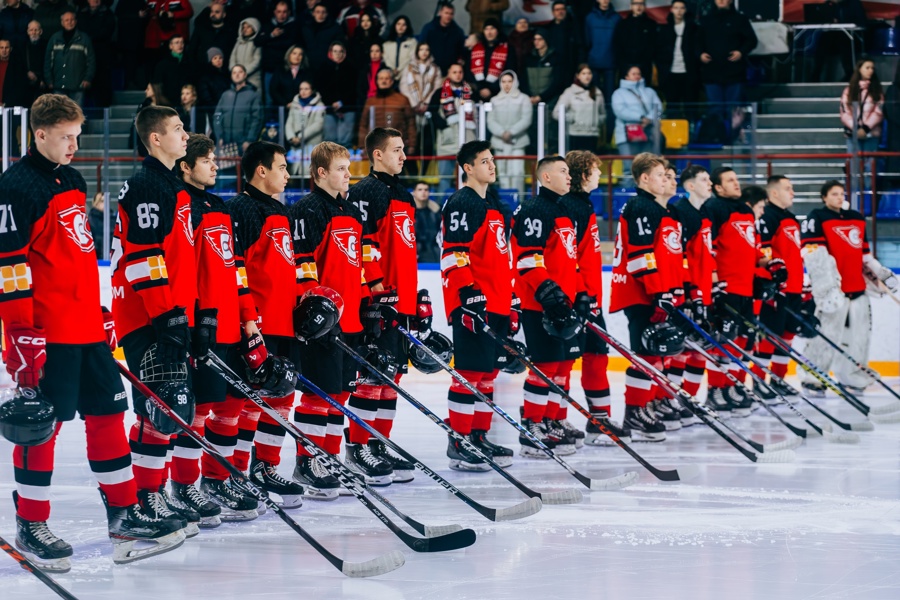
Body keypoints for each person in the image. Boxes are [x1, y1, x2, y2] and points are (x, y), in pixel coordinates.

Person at [0, 95, 185, 572]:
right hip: (48, 333)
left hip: (86, 329)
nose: (74, 146)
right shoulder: (15, 187)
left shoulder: (74, 179)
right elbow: (10, 267)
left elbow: (78, 256)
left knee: (107, 415)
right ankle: (32, 523)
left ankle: (124, 516)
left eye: (77, 136)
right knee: (43, 428)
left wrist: (98, 309)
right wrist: (20, 333)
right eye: (65, 137)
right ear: (39, 135)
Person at [112, 104, 202, 535]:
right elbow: (142, 259)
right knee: (159, 408)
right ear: (156, 139)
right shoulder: (148, 185)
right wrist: (167, 316)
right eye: (178, 129)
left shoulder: (172, 185)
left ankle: (155, 490)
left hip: (169, 312)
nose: (186, 135)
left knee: (170, 407)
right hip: (148, 313)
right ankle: (145, 496)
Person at [170, 132, 260, 524]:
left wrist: (247, 317)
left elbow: (235, 268)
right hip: (199, 325)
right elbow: (184, 271)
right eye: (206, 160)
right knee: (199, 411)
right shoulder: (181, 205)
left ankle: (217, 478)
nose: (214, 166)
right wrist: (193, 320)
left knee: (230, 407)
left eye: (214, 160)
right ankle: (185, 484)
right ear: (185, 165)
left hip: (229, 325)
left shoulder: (220, 206)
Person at [226, 141, 305, 504]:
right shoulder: (240, 209)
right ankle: (238, 471)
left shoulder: (281, 211)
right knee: (248, 403)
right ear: (261, 170)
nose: (287, 175)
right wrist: (248, 320)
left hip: (284, 322)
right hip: (257, 325)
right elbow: (235, 269)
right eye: (282, 167)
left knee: (281, 399)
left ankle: (266, 466)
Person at [345, 127, 423, 484]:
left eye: (403, 149)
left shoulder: (404, 194)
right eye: (396, 149)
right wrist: (376, 289)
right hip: (378, 302)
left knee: (392, 376)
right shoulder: (364, 192)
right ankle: (359, 446)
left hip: (401, 301)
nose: (403, 156)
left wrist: (415, 297)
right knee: (371, 376)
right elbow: (361, 244)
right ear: (377, 154)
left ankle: (379, 443)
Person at [288, 141, 364, 499]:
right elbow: (304, 265)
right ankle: (307, 461)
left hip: (349, 321)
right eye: (341, 169)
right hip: (323, 322)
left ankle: (330, 458)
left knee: (339, 394)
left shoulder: (349, 211)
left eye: (348, 169)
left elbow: (356, 266)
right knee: (318, 396)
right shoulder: (306, 210)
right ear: (321, 173)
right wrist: (314, 312)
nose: (348, 175)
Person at [439, 139, 514, 470]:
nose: (492, 165)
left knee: (488, 374)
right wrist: (467, 292)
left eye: (492, 160)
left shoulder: (495, 205)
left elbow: (503, 257)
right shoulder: (461, 202)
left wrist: (512, 301)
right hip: (473, 303)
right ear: (468, 168)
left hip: (497, 302)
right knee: (468, 374)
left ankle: (478, 436)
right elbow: (454, 252)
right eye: (485, 161)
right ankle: (459, 440)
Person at [510, 156, 584, 457]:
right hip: (539, 303)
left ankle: (552, 419)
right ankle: (532, 425)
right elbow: (527, 259)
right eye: (563, 171)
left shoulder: (563, 210)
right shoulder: (534, 209)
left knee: (561, 366)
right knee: (545, 365)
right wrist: (548, 294)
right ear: (545, 176)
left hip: (562, 303)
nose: (569, 176)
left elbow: (567, 259)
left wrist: (577, 295)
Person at [608, 153, 685, 441]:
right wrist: (658, 291)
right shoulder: (641, 206)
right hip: (640, 294)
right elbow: (640, 256)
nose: (667, 180)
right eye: (661, 175)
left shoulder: (658, 209)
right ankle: (635, 412)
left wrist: (673, 291)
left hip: (654, 293)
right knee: (645, 355)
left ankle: (647, 404)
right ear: (644, 179)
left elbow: (668, 258)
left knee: (655, 354)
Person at [799, 180, 898, 394]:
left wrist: (879, 273)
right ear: (824, 197)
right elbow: (814, 255)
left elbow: (864, 255)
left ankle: (852, 376)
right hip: (833, 291)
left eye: (841, 193)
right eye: (834, 194)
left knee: (860, 337)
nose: (839, 197)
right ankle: (813, 375)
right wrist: (825, 286)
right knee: (826, 335)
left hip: (857, 288)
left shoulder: (856, 219)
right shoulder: (817, 217)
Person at [700, 166, 775, 415]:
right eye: (730, 180)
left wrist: (769, 263)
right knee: (723, 342)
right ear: (718, 187)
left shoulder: (744, 209)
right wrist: (713, 283)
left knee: (741, 342)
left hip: (746, 288)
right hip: (726, 287)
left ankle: (733, 386)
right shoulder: (713, 208)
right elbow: (707, 247)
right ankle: (715, 390)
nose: (736, 183)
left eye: (736, 179)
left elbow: (750, 246)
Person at [663, 163, 714, 425]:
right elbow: (680, 257)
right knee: (680, 351)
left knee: (697, 352)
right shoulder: (681, 212)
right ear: (690, 185)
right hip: (685, 291)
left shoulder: (703, 212)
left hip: (702, 290)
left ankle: (689, 401)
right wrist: (688, 292)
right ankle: (671, 399)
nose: (710, 184)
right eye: (705, 180)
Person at [749, 175, 804, 401]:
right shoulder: (768, 217)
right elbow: (763, 253)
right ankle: (760, 382)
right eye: (788, 188)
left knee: (787, 335)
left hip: (794, 287)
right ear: (773, 193)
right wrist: (769, 282)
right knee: (769, 336)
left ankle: (779, 380)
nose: (792, 192)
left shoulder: (790, 218)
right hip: (777, 289)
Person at [697, 0, 757, 137]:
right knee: (714, 109)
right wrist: (700, 54)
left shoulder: (740, 19)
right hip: (711, 72)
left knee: (734, 109)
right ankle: (716, 138)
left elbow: (751, 40)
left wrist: (741, 52)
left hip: (734, 73)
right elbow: (696, 41)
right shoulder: (706, 20)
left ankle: (734, 139)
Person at [427, 64, 475, 196]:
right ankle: (442, 209)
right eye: (454, 72)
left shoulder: (471, 91)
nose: (458, 74)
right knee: (445, 179)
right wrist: (444, 125)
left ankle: (469, 204)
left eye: (460, 72)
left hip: (467, 140)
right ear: (448, 74)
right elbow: (431, 112)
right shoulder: (439, 92)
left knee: (470, 178)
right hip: (447, 142)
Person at [611, 65, 662, 185]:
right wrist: (640, 118)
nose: (637, 76)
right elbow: (620, 111)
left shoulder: (650, 92)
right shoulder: (618, 93)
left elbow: (658, 108)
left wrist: (649, 119)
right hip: (626, 136)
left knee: (648, 168)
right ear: (626, 76)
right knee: (629, 168)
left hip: (647, 133)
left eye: (638, 73)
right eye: (633, 74)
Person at [486, 70, 531, 194]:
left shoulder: (524, 98)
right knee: (503, 174)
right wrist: (502, 133)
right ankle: (507, 203)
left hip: (518, 142)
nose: (507, 84)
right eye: (504, 81)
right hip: (499, 142)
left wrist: (511, 132)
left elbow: (526, 119)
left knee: (517, 173)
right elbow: (490, 121)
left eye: (510, 81)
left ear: (515, 82)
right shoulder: (494, 100)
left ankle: (519, 202)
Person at [656, 0, 700, 119]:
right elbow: (658, 51)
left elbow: (697, 49)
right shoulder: (665, 29)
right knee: (672, 108)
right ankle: (672, 135)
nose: (679, 11)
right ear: (671, 9)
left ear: (685, 10)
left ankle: (691, 134)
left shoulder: (693, 29)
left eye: (681, 8)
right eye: (676, 8)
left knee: (690, 108)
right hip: (670, 74)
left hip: (689, 74)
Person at [357, 68, 416, 153]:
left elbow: (411, 123)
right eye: (381, 79)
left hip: (398, 147)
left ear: (392, 81)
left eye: (386, 78)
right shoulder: (370, 101)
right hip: (375, 146)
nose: (383, 81)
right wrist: (362, 145)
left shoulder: (402, 99)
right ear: (377, 81)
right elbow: (363, 124)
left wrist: (412, 145)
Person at [43, 10, 95, 105]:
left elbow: (91, 61)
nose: (69, 22)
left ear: (75, 21)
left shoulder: (84, 38)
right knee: (60, 116)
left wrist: (88, 78)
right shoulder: (54, 38)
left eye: (72, 20)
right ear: (62, 22)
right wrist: (49, 80)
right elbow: (47, 61)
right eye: (67, 20)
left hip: (78, 85)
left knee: (77, 117)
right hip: (58, 85)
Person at [584, 0, 620, 139]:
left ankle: (609, 135)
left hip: (611, 64)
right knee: (595, 101)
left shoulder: (616, 18)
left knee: (610, 102)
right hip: (594, 64)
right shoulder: (590, 18)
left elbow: (618, 42)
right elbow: (587, 40)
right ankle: (595, 135)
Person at [810, 0, 866, 83]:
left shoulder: (854, 3)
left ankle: (849, 73)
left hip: (851, 35)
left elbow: (861, 21)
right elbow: (823, 19)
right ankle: (816, 75)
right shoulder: (829, 4)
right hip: (833, 35)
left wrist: (842, 21)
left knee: (843, 40)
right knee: (823, 41)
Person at [213, 65, 263, 157]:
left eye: (240, 72)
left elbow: (257, 120)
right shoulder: (226, 95)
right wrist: (219, 137)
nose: (237, 75)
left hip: (243, 145)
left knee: (243, 170)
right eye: (234, 72)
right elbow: (217, 116)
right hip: (225, 143)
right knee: (225, 171)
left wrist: (249, 140)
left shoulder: (253, 95)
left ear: (245, 75)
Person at [554, 64, 606, 152]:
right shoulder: (570, 92)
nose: (587, 76)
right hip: (575, 134)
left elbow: (602, 113)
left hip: (592, 134)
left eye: (589, 73)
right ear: (578, 76)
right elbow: (556, 113)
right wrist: (572, 118)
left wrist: (596, 121)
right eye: (584, 73)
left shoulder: (597, 93)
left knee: (590, 164)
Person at [254, 1, 298, 100]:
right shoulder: (268, 25)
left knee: (286, 98)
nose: (282, 15)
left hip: (286, 69)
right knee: (269, 99)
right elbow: (257, 41)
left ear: (289, 13)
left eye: (284, 12)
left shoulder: (294, 26)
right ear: (274, 12)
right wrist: (272, 35)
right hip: (269, 69)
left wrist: (269, 42)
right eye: (279, 12)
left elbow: (290, 43)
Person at [317, 41, 358, 148]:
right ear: (331, 52)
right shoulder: (323, 67)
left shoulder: (352, 67)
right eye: (335, 51)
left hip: (348, 107)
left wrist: (341, 102)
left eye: (340, 51)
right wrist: (332, 103)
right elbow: (321, 88)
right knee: (330, 143)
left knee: (345, 142)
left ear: (344, 53)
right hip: (330, 108)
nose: (338, 54)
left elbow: (353, 88)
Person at [840, 58, 884, 156]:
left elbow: (879, 111)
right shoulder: (849, 90)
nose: (870, 71)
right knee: (853, 166)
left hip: (872, 133)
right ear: (859, 69)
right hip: (852, 134)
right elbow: (845, 112)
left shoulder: (877, 90)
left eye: (872, 68)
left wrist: (866, 128)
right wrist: (856, 128)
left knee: (870, 166)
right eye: (867, 68)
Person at [398, 41, 442, 132]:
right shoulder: (409, 67)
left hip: (429, 107)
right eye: (421, 49)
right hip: (412, 106)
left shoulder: (435, 69)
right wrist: (414, 104)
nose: (424, 52)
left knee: (427, 134)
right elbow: (404, 87)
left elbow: (437, 87)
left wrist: (426, 103)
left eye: (427, 49)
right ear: (417, 51)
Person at [285, 79, 325, 178]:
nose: (303, 91)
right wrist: (291, 137)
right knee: (295, 174)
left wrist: (300, 136)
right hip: (296, 145)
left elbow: (318, 124)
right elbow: (289, 123)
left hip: (311, 144)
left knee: (310, 174)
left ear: (312, 90)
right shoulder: (294, 105)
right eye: (301, 89)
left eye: (306, 89)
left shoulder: (320, 105)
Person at [612, 0, 656, 89]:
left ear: (645, 6)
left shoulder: (651, 24)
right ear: (631, 6)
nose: (638, 7)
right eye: (636, 4)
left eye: (641, 4)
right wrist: (622, 63)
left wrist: (647, 59)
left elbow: (654, 46)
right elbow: (617, 45)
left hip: (645, 65)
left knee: (644, 93)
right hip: (626, 65)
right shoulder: (623, 24)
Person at [466, 17, 511, 102]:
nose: (489, 32)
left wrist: (491, 89)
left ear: (497, 31)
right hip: (477, 93)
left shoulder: (508, 49)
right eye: (486, 29)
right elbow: (468, 71)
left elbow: (509, 71)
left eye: (492, 29)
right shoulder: (475, 48)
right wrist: (480, 88)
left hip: (499, 94)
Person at [519, 29, 566, 108]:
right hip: (530, 100)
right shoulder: (528, 58)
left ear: (546, 40)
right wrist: (529, 96)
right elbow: (523, 80)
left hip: (550, 101)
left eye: (540, 39)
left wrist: (541, 97)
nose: (536, 42)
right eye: (535, 39)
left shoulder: (555, 57)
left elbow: (557, 81)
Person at [418, 1, 465, 76]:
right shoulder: (429, 29)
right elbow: (420, 47)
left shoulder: (458, 32)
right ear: (440, 13)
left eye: (451, 14)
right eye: (446, 13)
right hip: (430, 69)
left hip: (450, 72)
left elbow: (461, 52)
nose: (448, 16)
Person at [153, 35, 195, 113]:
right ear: (170, 46)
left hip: (186, 105)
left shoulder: (189, 63)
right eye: (177, 43)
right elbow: (157, 87)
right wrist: (166, 103)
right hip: (168, 105)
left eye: (182, 42)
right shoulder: (162, 65)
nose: (180, 45)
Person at [144, 0, 193, 66]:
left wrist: (174, 14)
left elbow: (189, 12)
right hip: (163, 37)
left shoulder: (182, 1)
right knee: (164, 62)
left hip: (179, 36)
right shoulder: (160, 2)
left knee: (179, 62)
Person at [545, 1, 584, 83]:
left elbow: (580, 46)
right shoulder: (548, 29)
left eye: (563, 9)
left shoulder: (574, 27)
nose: (560, 12)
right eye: (557, 9)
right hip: (552, 68)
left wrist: (580, 63)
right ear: (553, 12)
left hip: (570, 66)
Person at [188, 1, 235, 69]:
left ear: (224, 14)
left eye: (217, 12)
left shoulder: (230, 31)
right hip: (203, 70)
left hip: (224, 71)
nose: (213, 14)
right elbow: (192, 50)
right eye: (212, 11)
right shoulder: (202, 29)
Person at [300, 2, 343, 73]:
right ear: (313, 13)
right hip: (308, 67)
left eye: (323, 12)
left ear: (327, 14)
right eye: (318, 12)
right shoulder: (305, 28)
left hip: (328, 68)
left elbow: (339, 45)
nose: (320, 15)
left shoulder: (335, 28)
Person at [198, 48, 230, 134]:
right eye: (215, 58)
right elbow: (206, 97)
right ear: (210, 60)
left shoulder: (227, 75)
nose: (218, 60)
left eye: (220, 58)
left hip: (225, 111)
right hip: (213, 112)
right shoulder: (206, 77)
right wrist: (216, 109)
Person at [269, 45, 312, 109]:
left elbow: (309, 90)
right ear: (289, 55)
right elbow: (273, 90)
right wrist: (286, 104)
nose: (297, 56)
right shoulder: (279, 70)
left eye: (300, 54)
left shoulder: (307, 72)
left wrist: (298, 104)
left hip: (302, 107)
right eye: (294, 53)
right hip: (282, 107)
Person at [229, 17, 262, 91]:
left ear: (255, 28)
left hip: (253, 78)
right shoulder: (239, 42)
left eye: (248, 27)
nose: (245, 29)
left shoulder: (257, 42)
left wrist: (243, 72)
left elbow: (257, 61)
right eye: (243, 27)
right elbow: (233, 57)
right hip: (237, 78)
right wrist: (234, 70)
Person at [413, 181, 440, 263]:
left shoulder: (436, 211)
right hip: (413, 250)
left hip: (432, 250)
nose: (423, 192)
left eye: (426, 190)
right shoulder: (407, 211)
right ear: (414, 192)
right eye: (420, 190)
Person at [382, 15, 415, 81]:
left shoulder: (412, 42)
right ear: (395, 25)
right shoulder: (386, 44)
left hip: (406, 75)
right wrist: (392, 69)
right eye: (398, 24)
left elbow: (411, 58)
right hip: (389, 75)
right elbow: (385, 58)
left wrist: (399, 69)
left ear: (407, 27)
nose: (401, 27)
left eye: (404, 25)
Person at [0, 37, 29, 107]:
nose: (4, 50)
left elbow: (20, 88)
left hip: (9, 105)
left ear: (10, 49)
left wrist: (6, 103)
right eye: (1, 48)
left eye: (6, 48)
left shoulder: (17, 66)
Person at [23, 20, 46, 104]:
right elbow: (20, 64)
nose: (34, 32)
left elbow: (47, 64)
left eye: (36, 30)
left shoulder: (46, 45)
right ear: (28, 32)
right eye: (31, 30)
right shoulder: (22, 45)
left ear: (41, 31)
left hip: (42, 83)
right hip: (26, 82)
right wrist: (27, 72)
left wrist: (43, 79)